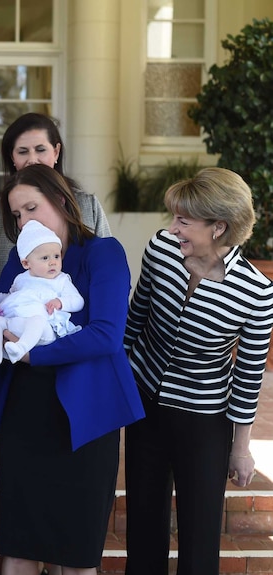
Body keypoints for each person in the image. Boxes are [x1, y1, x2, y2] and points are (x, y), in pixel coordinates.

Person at [0, 164, 144, 575]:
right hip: (26, 415)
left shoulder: (102, 252)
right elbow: (3, 322)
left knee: (76, 554)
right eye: (17, 215)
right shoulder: (22, 266)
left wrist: (34, 355)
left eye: (31, 207)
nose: (24, 221)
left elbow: (107, 334)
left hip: (85, 420)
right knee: (18, 547)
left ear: (61, 200)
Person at [123, 167, 273, 575]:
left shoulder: (257, 293)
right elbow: (135, 321)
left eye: (184, 221)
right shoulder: (160, 250)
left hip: (204, 421)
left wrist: (240, 449)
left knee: (199, 536)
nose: (172, 229)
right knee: (144, 527)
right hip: (145, 407)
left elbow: (248, 376)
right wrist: (113, 388)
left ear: (219, 227)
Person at [0, 113, 111, 285]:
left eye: (41, 150)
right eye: (23, 152)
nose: (32, 160)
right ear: (12, 157)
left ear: (56, 152)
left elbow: (106, 266)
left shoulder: (87, 205)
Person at [0, 220, 83, 365]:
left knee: (37, 321)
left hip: (43, 328)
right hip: (16, 322)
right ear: (26, 263)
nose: (53, 262)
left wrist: (60, 303)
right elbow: (11, 297)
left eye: (56, 256)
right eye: (45, 258)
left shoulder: (61, 280)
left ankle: (21, 348)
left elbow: (78, 300)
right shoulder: (21, 279)